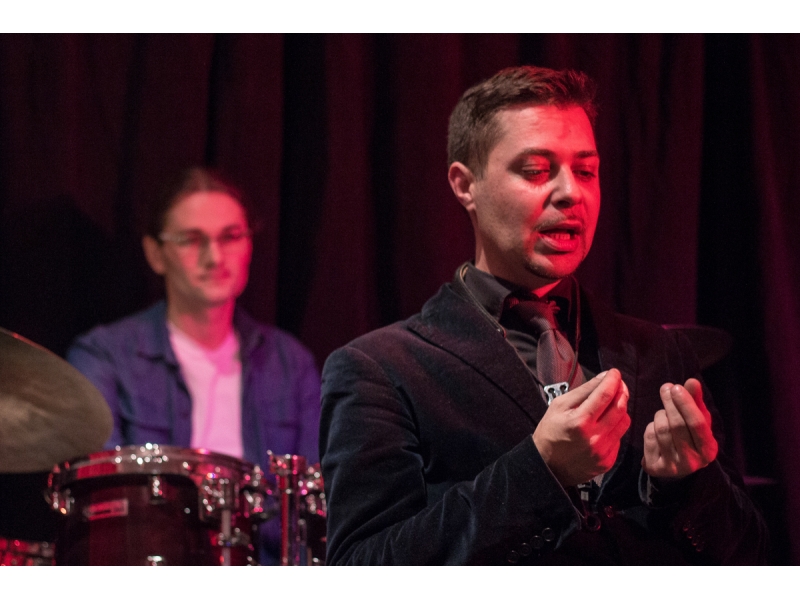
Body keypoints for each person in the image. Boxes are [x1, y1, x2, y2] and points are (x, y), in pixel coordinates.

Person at [319, 66, 768, 565]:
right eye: (535, 170)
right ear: (465, 185)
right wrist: (540, 470)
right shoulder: (379, 369)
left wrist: (687, 486)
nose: (570, 193)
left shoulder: (660, 352)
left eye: (586, 171)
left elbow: (751, 558)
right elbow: (361, 568)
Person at [67, 167, 321, 565]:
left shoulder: (293, 364)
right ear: (155, 253)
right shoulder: (104, 356)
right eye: (191, 239)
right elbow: (108, 506)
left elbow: (312, 509)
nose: (214, 257)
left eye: (230, 236)